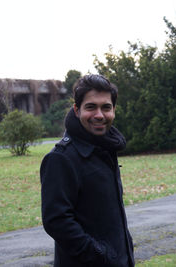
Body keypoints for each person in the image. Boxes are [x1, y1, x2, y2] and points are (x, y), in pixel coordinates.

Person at [40, 74, 134, 267]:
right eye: (91, 107)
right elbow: (57, 221)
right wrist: (99, 255)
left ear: (113, 110)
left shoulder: (105, 150)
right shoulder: (61, 158)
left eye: (106, 107)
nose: (99, 115)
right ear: (77, 110)